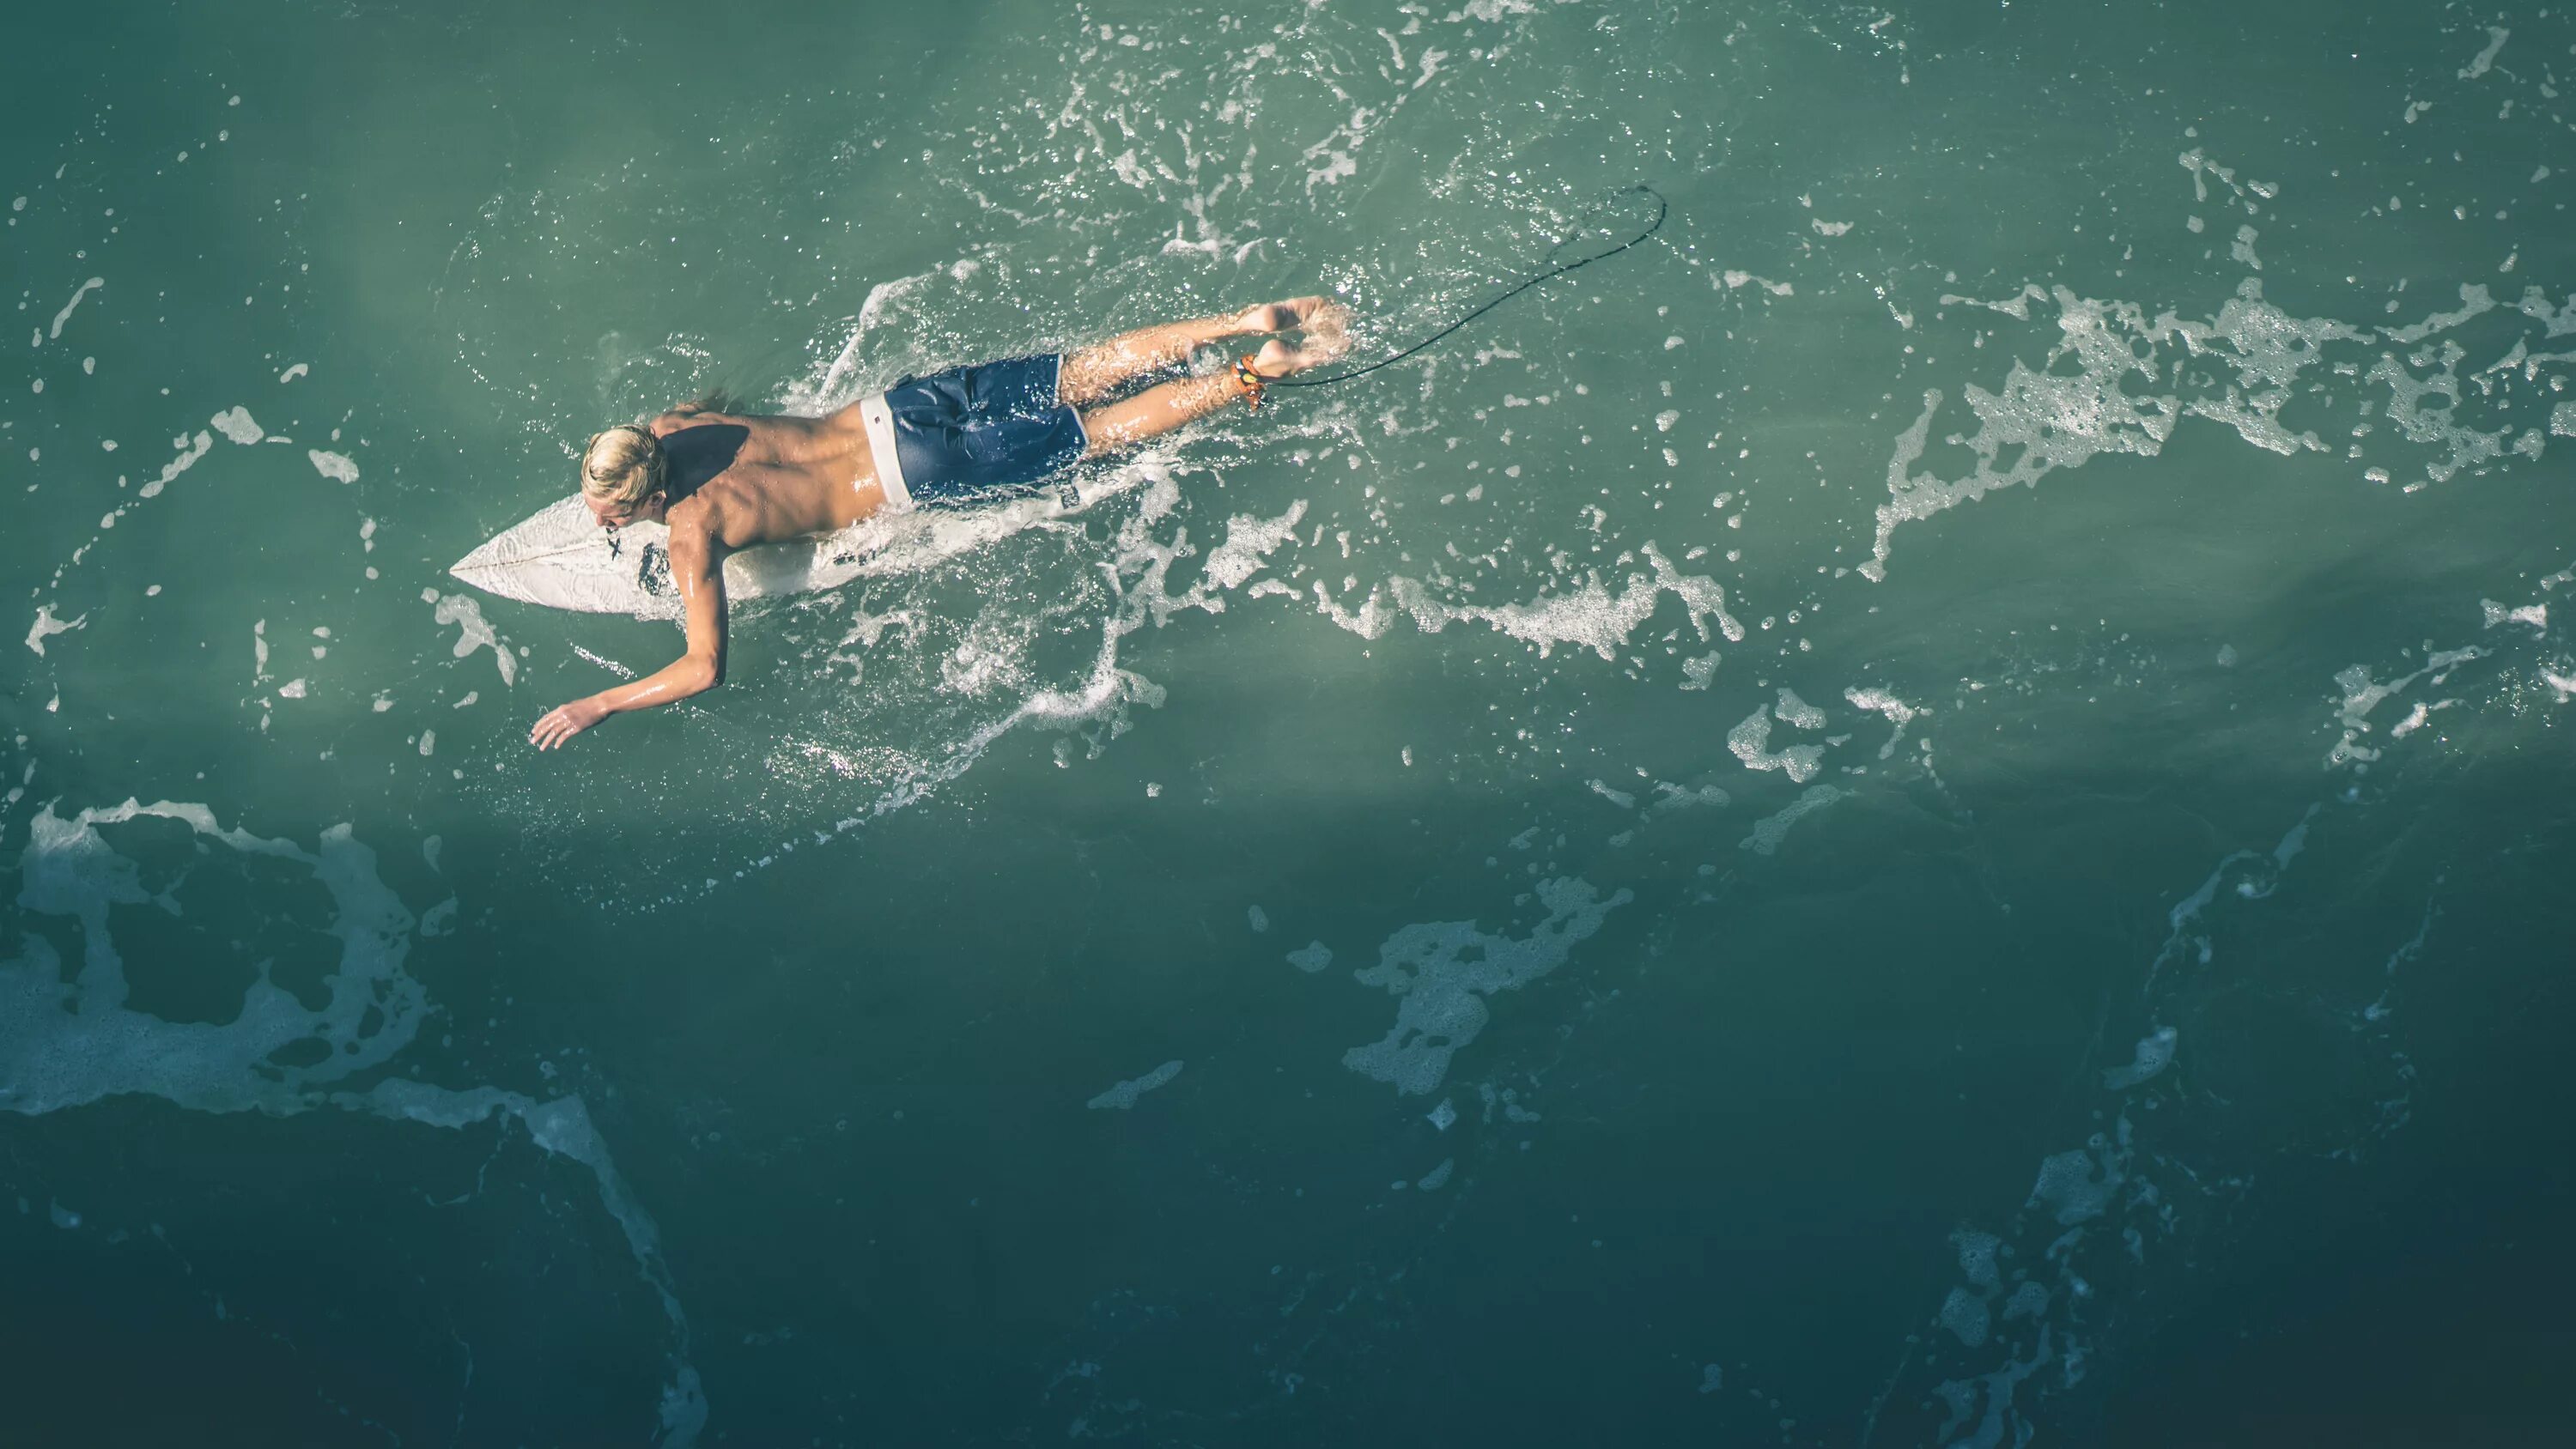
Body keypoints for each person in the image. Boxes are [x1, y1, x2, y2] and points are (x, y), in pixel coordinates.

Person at [527, 297, 1351, 749]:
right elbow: (717, 405)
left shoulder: (689, 536)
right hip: (899, 411)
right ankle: (1239, 321)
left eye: (608, 507)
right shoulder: (675, 426)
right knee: (1084, 371)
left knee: (1099, 433)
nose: (600, 512)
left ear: (642, 499)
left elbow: (704, 666)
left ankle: (1254, 372)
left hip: (910, 477)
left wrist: (602, 703)